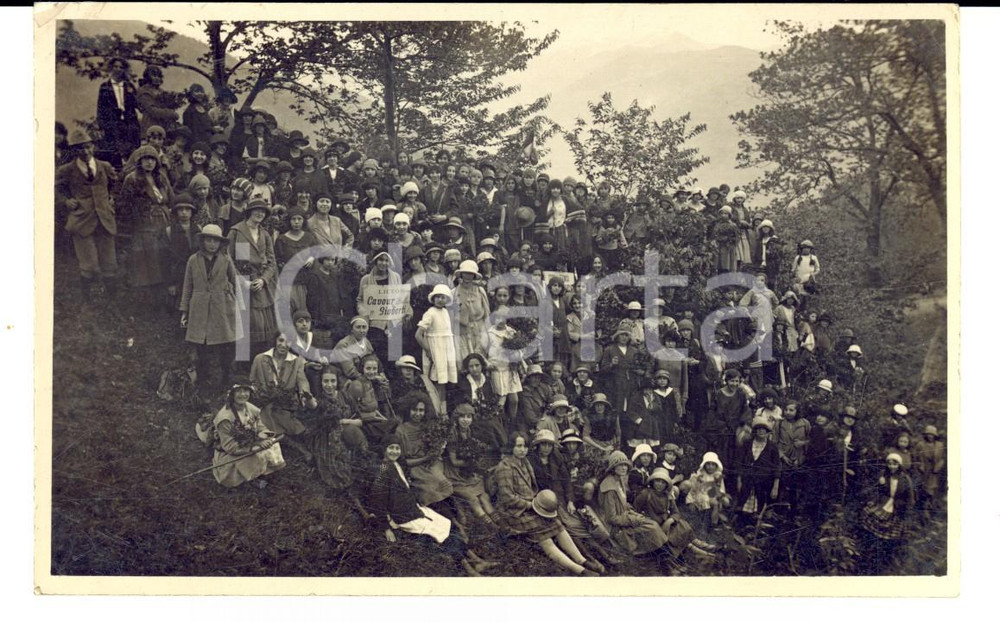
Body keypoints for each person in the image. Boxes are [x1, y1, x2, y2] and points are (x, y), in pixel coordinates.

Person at [368, 434, 495, 577]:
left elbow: (406, 481)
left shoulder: (397, 464)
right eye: (391, 448)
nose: (394, 451)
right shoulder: (383, 471)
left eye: (397, 448)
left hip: (413, 508)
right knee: (440, 534)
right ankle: (469, 569)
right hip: (403, 516)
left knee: (446, 523)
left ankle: (476, 560)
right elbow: (378, 501)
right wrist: (386, 528)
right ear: (384, 450)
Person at [494, 434, 603, 576]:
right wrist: (531, 505)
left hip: (532, 507)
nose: (522, 450)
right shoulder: (504, 467)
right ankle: (580, 570)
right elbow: (507, 498)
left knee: (557, 525)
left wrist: (537, 504)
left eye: (525, 446)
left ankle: (582, 560)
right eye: (518, 446)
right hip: (514, 512)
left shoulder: (525, 462)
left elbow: (533, 489)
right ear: (511, 447)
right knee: (544, 536)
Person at [56, 129, 119, 302]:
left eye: (87, 147)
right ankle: (87, 299)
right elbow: (56, 188)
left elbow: (115, 184)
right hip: (81, 219)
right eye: (80, 149)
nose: (85, 151)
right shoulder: (66, 170)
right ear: (74, 151)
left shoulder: (104, 166)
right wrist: (66, 201)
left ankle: (112, 300)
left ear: (93, 146)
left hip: (104, 218)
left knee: (109, 261)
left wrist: (111, 199)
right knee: (89, 264)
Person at [179, 223, 238, 394]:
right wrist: (185, 311)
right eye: (208, 240)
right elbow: (187, 286)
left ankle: (226, 381)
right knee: (203, 346)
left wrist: (235, 304)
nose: (212, 244)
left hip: (222, 308)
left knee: (225, 345)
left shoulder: (226, 259)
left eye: (215, 241)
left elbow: (235, 281)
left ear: (220, 243)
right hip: (199, 308)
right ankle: (206, 383)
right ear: (202, 241)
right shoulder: (193, 260)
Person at [117, 144, 173, 304]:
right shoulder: (132, 179)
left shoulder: (161, 177)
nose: (149, 163)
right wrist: (133, 221)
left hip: (163, 221)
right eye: (145, 159)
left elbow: (171, 197)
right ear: (139, 161)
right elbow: (124, 204)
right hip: (144, 224)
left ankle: (163, 295)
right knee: (147, 259)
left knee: (163, 256)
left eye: (152, 159)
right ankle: (147, 298)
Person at [249, 330, 316, 461]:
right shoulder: (260, 359)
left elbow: (302, 381)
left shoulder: (296, 361)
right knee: (267, 417)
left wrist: (304, 394)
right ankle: (294, 446)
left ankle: (290, 440)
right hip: (265, 402)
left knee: (289, 422)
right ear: (275, 341)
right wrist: (258, 393)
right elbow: (253, 380)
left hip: (286, 403)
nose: (284, 345)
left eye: (288, 342)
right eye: (281, 340)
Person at [597, 451, 673, 563]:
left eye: (625, 465)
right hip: (615, 527)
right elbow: (611, 518)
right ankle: (663, 557)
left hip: (624, 517)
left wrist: (634, 513)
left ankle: (665, 556)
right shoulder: (609, 488)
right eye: (620, 465)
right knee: (651, 526)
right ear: (613, 467)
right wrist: (634, 519)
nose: (624, 468)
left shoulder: (619, 480)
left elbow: (623, 504)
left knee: (650, 523)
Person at [227, 199, 278, 358]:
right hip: (243, 285)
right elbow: (227, 259)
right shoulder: (236, 232)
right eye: (256, 210)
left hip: (262, 286)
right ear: (249, 212)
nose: (259, 214)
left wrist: (264, 279)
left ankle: (261, 362)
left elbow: (272, 261)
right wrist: (242, 281)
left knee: (264, 325)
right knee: (245, 323)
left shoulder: (265, 234)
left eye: (263, 212)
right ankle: (243, 364)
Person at [211, 379, 285, 488]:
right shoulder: (225, 419)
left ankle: (263, 471)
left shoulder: (249, 408)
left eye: (246, 391)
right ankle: (250, 478)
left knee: (273, 443)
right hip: (233, 451)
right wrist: (253, 448)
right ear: (231, 394)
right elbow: (230, 447)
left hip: (251, 441)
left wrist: (264, 436)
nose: (243, 395)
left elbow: (260, 426)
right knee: (256, 455)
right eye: (238, 391)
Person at [634, 468, 716, 560]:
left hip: (665, 523)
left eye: (663, 482)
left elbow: (676, 512)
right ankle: (695, 550)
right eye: (657, 481)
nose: (660, 484)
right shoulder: (646, 494)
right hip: (653, 525)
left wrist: (670, 520)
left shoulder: (667, 495)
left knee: (682, 524)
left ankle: (697, 543)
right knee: (672, 535)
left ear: (666, 484)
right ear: (652, 482)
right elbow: (635, 511)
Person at [394, 392, 454, 509]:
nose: (418, 414)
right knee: (431, 486)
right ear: (407, 410)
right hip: (414, 469)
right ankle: (448, 518)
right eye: (414, 410)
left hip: (430, 464)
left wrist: (438, 450)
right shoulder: (400, 431)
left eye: (421, 410)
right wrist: (426, 458)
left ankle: (457, 514)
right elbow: (403, 462)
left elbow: (434, 452)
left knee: (443, 483)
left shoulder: (427, 427)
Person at [859, 453, 915, 574]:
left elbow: (910, 497)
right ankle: (874, 550)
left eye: (894, 464)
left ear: (899, 465)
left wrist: (907, 510)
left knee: (894, 530)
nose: (892, 466)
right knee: (870, 514)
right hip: (884, 503)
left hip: (898, 507)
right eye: (889, 463)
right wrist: (881, 484)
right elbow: (877, 492)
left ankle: (888, 555)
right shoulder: (883, 475)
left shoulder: (905, 479)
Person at [443, 402, 496, 524]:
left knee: (484, 496)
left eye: (469, 417)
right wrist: (472, 464)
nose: (465, 420)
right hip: (454, 473)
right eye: (462, 417)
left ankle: (499, 521)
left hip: (465, 470)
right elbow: (454, 461)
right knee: (473, 498)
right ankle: (489, 524)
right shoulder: (453, 434)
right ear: (457, 418)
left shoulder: (468, 431)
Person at [416, 284, 460, 411]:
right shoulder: (430, 313)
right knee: (436, 382)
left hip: (446, 350)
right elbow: (418, 335)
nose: (440, 299)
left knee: (443, 381)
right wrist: (428, 350)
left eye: (443, 297)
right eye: (438, 297)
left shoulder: (445, 311)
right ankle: (435, 410)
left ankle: (443, 411)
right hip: (436, 350)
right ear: (433, 298)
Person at [733, 416, 781, 521]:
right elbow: (740, 462)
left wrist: (775, 487)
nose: (761, 431)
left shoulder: (772, 447)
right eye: (758, 428)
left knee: (761, 507)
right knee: (743, 505)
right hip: (747, 480)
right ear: (755, 430)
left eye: (764, 429)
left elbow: (777, 467)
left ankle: (757, 527)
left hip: (764, 482)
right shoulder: (747, 444)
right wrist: (739, 479)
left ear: (768, 431)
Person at [96, 57, 140, 167]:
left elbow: (136, 105)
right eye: (115, 66)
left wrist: (131, 93)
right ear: (111, 68)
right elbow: (100, 107)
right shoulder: (105, 87)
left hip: (129, 123)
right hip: (112, 123)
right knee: (114, 151)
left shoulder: (128, 86)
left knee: (130, 150)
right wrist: (102, 126)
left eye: (121, 67)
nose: (118, 69)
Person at [680, 451, 731, 537]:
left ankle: (712, 524)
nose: (710, 467)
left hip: (711, 495)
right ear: (704, 465)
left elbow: (721, 490)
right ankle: (698, 526)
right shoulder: (700, 474)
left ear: (716, 465)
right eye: (708, 464)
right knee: (702, 502)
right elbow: (695, 489)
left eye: (713, 464)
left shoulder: (717, 476)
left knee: (715, 502)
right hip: (698, 495)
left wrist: (716, 490)